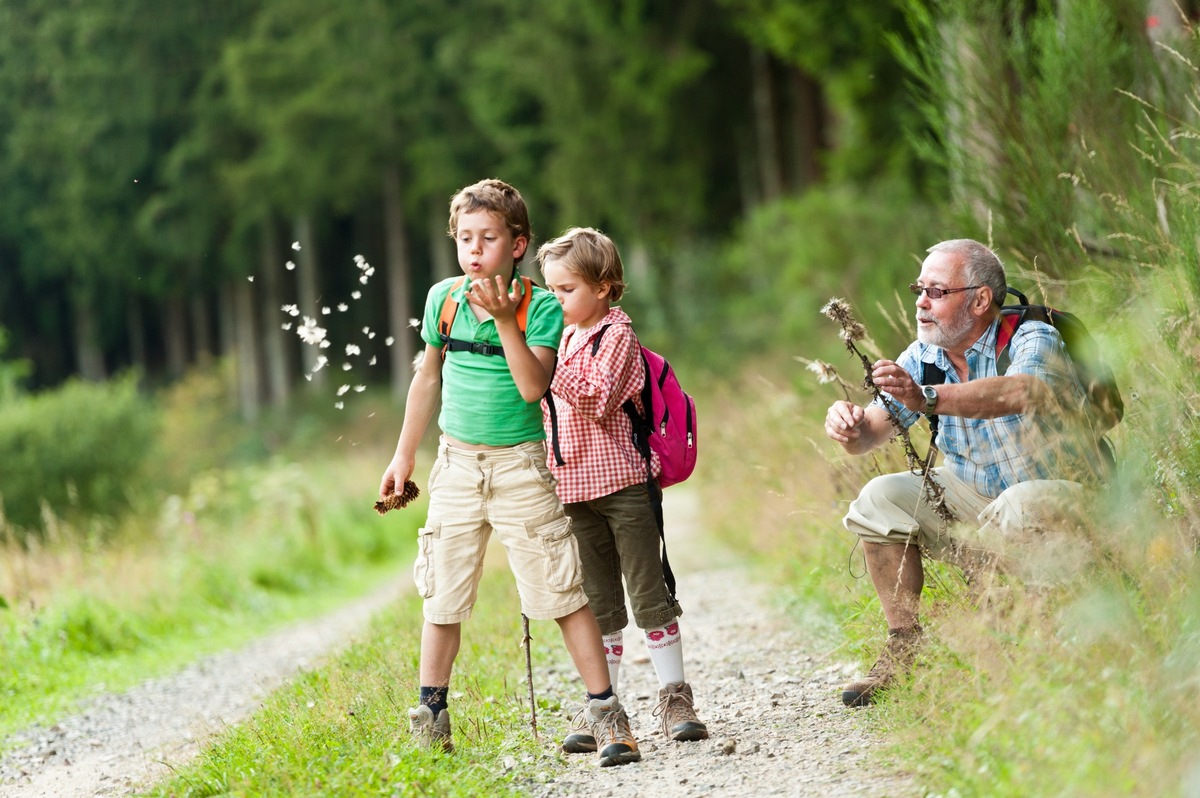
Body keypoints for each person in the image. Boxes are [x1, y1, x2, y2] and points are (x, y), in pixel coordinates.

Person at [378, 180, 640, 766]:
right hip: (457, 465)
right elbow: (427, 378)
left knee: (561, 591)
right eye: (464, 239)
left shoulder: (541, 307)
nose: (474, 251)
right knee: (441, 595)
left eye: (489, 238)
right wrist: (403, 455)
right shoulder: (443, 299)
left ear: (518, 245)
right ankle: (432, 718)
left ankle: (607, 715)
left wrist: (502, 320)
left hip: (522, 466)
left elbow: (532, 385)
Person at [824, 238, 1105, 707]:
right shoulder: (923, 355)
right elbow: (871, 434)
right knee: (878, 498)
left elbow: (1023, 392)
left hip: (1069, 501)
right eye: (919, 289)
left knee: (1019, 504)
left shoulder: (1033, 334)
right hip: (980, 502)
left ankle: (1043, 638)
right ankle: (905, 648)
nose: (920, 301)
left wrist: (926, 398)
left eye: (936, 291)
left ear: (979, 300)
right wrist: (847, 426)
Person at [535, 227, 709, 749]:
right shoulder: (561, 339)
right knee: (598, 604)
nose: (556, 300)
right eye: (550, 291)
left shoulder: (616, 335)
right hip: (573, 491)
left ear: (604, 287)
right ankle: (603, 707)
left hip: (625, 485)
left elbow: (596, 398)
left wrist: (543, 369)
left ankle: (675, 695)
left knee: (648, 593)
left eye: (566, 290)